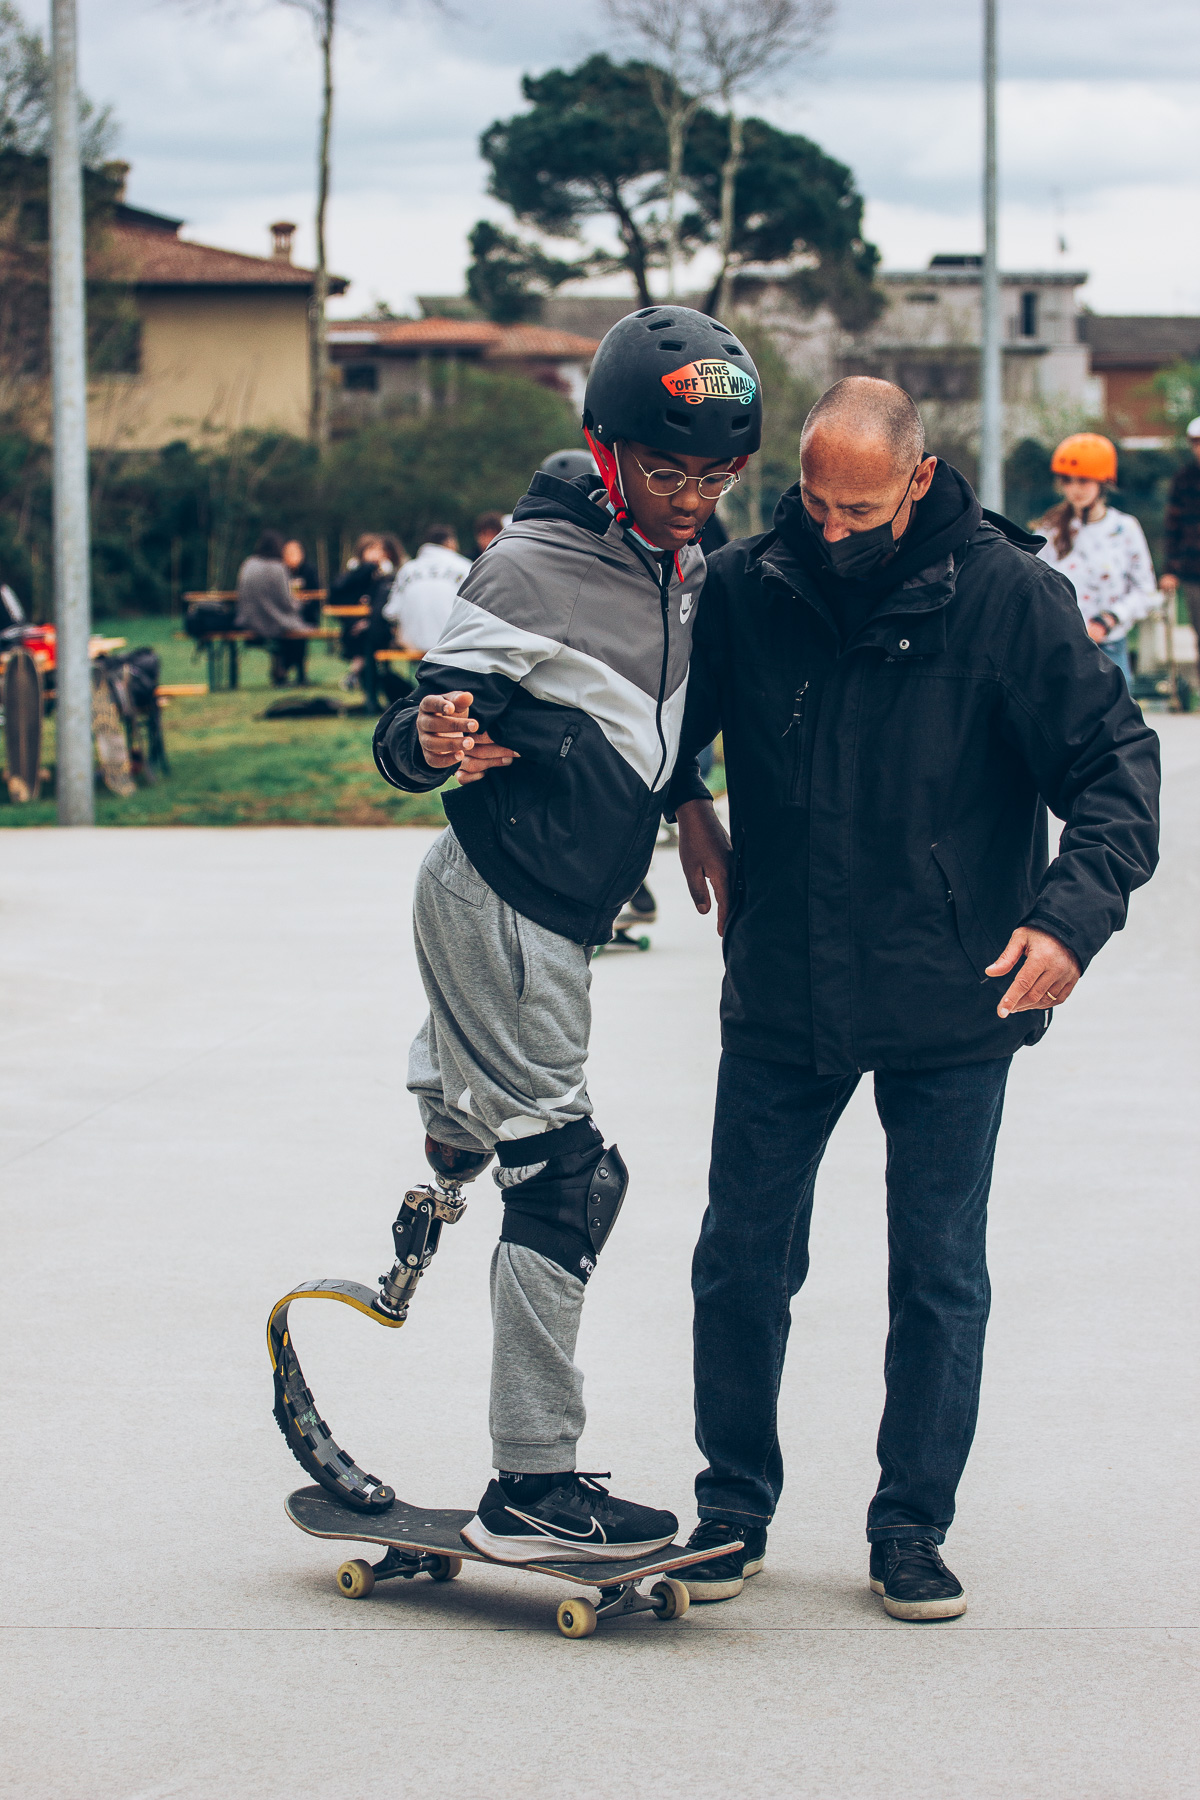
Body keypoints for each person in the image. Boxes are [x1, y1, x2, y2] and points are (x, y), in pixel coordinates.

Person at [666, 377, 1159, 1619]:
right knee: (737, 1259)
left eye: (860, 511)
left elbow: (1116, 771)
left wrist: (1069, 917)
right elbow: (666, 718)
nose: (830, 533)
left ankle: (911, 1527)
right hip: (783, 979)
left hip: (953, 991)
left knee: (937, 1273)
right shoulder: (748, 584)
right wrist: (686, 803)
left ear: (921, 481)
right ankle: (730, 1509)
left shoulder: (1009, 599)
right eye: (814, 505)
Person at [371, 306, 761, 1561]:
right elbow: (419, 722)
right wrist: (426, 739)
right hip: (503, 897)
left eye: (715, 475)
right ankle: (531, 1482)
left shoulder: (680, 565)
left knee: (534, 1147)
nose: (691, 497)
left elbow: (641, 721)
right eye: (666, 471)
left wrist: (690, 804)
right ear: (605, 450)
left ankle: (445, 1146)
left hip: (542, 909)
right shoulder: (530, 568)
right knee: (572, 1177)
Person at [1032, 433, 1158, 685]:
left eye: (1084, 480)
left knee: (1115, 723)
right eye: (1067, 481)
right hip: (1059, 647)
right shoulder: (1050, 530)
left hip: (1108, 648)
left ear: (1103, 483)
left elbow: (1145, 590)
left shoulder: (1124, 529)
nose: (1074, 489)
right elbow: (1034, 585)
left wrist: (1110, 618)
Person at [332, 533, 406, 712]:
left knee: (369, 638)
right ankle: (367, 689)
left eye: (379, 549)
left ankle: (358, 674)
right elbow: (338, 595)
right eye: (372, 549)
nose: (377, 554)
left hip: (378, 627)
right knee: (366, 639)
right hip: (357, 626)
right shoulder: (357, 571)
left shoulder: (389, 574)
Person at [235, 530, 314, 686]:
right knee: (301, 630)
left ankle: (280, 669)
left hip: (247, 620)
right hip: (272, 622)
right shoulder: (277, 568)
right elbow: (287, 601)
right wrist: (300, 604)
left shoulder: (248, 564)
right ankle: (295, 674)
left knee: (293, 629)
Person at [382, 526, 471, 657]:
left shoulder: (407, 569)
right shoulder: (465, 566)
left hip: (413, 646)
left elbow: (390, 612)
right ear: (450, 542)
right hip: (455, 647)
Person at [1160, 415, 1200, 672]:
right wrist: (1170, 570)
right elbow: (1172, 527)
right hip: (1193, 569)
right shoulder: (1183, 479)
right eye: (1196, 442)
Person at [281, 538, 322, 684]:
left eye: (295, 552)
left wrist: (306, 601)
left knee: (299, 635)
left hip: (306, 616)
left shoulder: (309, 570)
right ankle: (287, 671)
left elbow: (317, 595)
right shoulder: (281, 571)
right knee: (288, 636)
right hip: (286, 617)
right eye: (289, 553)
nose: (292, 556)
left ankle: (290, 672)